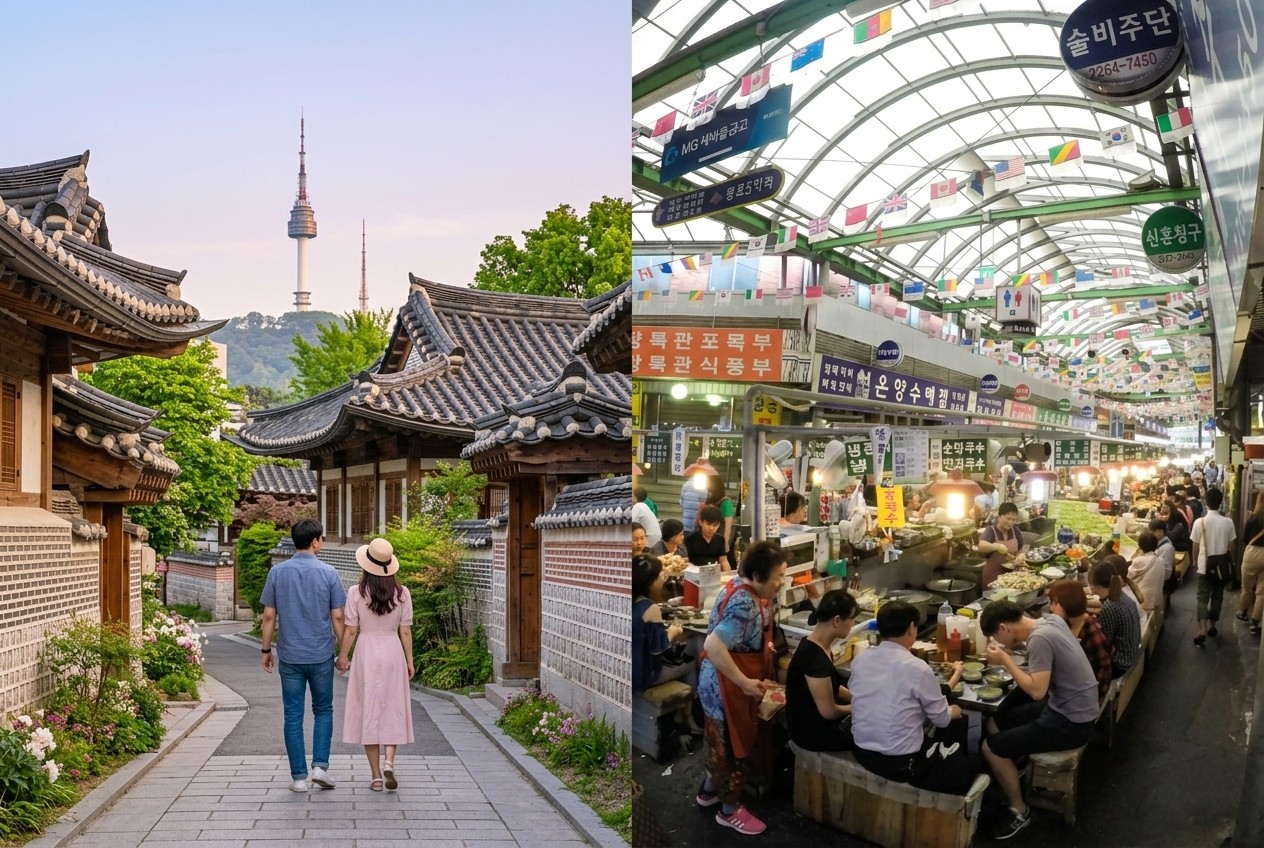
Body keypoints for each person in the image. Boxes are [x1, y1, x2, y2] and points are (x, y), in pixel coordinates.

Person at [980, 601, 1100, 840]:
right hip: (1076, 705)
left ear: (1004, 628)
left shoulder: (1039, 639)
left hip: (1073, 722)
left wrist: (1005, 660)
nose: (997, 644)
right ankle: (1015, 770)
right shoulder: (1049, 620)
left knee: (989, 748)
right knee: (997, 721)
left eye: (994, 638)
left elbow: (1037, 691)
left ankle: (1020, 812)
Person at [695, 542, 787, 836]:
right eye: (779, 576)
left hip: (719, 680)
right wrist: (746, 683)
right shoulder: (745, 604)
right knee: (731, 748)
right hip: (724, 684)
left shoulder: (739, 584)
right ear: (758, 575)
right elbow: (713, 644)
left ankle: (709, 791)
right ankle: (729, 810)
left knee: (717, 741)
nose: (783, 582)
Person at [259, 518, 348, 793]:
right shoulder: (329, 572)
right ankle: (320, 767)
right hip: (320, 653)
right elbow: (338, 616)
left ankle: (298, 777)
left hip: (289, 653)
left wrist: (265, 649)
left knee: (293, 714)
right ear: (315, 541)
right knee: (323, 710)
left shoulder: (277, 572)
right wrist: (343, 651)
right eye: (321, 538)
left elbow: (269, 615)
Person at [849, 601, 970, 794]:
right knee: (959, 724)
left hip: (862, 752)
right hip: (899, 762)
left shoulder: (861, 659)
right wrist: (953, 712)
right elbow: (942, 719)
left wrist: (953, 678)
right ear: (911, 629)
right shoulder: (917, 667)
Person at [337, 538, 414, 792]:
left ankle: (376, 776)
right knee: (393, 707)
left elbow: (350, 630)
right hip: (393, 651)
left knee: (367, 709)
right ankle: (389, 762)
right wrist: (410, 661)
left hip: (366, 653)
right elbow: (405, 632)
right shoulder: (402, 594)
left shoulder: (355, 593)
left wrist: (343, 657)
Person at [785, 590, 856, 753]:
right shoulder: (813, 657)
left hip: (815, 723)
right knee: (873, 734)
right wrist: (857, 708)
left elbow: (833, 685)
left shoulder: (819, 644)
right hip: (811, 733)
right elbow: (829, 712)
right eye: (852, 618)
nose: (853, 623)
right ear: (837, 620)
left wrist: (858, 698)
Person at [632, 554, 696, 692]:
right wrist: (672, 633)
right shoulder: (649, 608)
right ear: (652, 582)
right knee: (693, 662)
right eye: (660, 576)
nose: (663, 580)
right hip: (641, 676)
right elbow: (658, 648)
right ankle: (690, 707)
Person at [1046, 579, 1112, 708]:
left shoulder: (1092, 632)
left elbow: (1104, 672)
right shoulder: (1068, 624)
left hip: (1081, 701)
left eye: (1055, 603)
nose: (1051, 608)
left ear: (1069, 605)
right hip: (1067, 691)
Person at [1191, 487, 1237, 647]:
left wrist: (1195, 562)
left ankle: (1202, 629)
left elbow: (1195, 546)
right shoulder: (1228, 522)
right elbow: (1231, 546)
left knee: (1202, 598)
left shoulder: (1200, 522)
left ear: (1206, 502)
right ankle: (1213, 626)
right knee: (1217, 597)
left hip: (1205, 567)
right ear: (1220, 501)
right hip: (1222, 569)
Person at [1088, 561, 1141, 677]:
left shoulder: (1109, 606)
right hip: (1132, 653)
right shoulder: (1121, 595)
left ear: (1094, 585)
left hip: (1120, 664)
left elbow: (1102, 644)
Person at [1236, 490, 1264, 636]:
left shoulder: (1253, 518)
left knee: (1247, 587)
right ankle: (1255, 623)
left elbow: (1245, 539)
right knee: (1262, 592)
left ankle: (1242, 612)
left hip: (1252, 553)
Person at [978, 502, 1024, 589]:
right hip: (993, 576)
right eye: (1008, 518)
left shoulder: (1015, 531)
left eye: (1014, 520)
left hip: (1011, 578)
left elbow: (1021, 548)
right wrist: (997, 546)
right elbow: (981, 546)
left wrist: (1020, 556)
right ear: (999, 517)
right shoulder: (990, 530)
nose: (1011, 522)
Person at [1128, 532, 1165, 617]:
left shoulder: (1138, 561)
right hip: (1156, 601)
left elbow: (1128, 576)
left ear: (1140, 546)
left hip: (1142, 602)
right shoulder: (1161, 561)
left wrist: (1134, 557)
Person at [685, 505, 731, 571]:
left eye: (715, 525)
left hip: (715, 575)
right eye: (708, 524)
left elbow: (724, 561)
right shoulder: (690, 539)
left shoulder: (720, 539)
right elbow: (687, 562)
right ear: (701, 522)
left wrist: (728, 577)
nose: (711, 528)